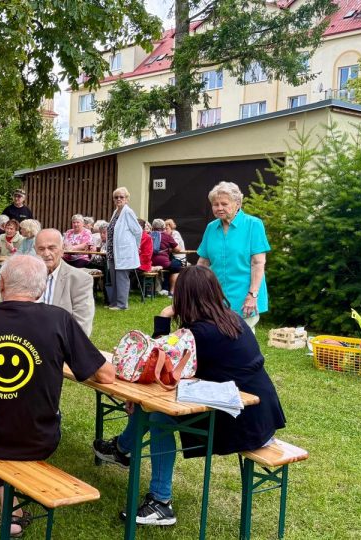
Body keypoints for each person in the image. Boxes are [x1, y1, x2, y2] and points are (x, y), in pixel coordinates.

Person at [93, 265, 286, 527]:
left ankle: (159, 499)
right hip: (260, 414)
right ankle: (121, 451)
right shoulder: (232, 318)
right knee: (151, 410)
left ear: (183, 297)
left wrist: (163, 316)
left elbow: (156, 360)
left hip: (238, 421)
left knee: (157, 416)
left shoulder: (198, 333)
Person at [0, 254, 114, 537]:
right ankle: (12, 512)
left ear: (2, 283)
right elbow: (104, 375)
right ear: (42, 288)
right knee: (12, 418)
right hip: (38, 439)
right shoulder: (59, 320)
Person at [197, 181, 270, 330]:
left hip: (245, 295)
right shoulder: (211, 228)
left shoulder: (253, 224)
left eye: (224, 204)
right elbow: (203, 262)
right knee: (217, 337)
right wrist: (192, 287)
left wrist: (253, 295)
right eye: (215, 204)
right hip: (216, 295)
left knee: (241, 339)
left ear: (237, 203)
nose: (219, 208)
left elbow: (258, 263)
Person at [35, 229, 95, 336]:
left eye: (51, 248)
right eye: (41, 249)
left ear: (62, 250)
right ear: (35, 251)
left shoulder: (80, 280)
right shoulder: (28, 276)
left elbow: (82, 326)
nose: (46, 253)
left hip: (61, 345)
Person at [105, 187, 141, 310]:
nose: (119, 199)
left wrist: (135, 246)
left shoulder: (128, 212)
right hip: (112, 250)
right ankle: (114, 303)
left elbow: (138, 231)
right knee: (114, 277)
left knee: (122, 278)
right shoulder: (116, 212)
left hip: (124, 251)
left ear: (127, 199)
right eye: (116, 197)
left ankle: (122, 304)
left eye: (122, 197)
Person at [150, 218, 182, 295]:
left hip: (150, 262)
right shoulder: (167, 236)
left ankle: (157, 290)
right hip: (164, 263)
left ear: (152, 227)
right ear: (163, 227)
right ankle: (171, 291)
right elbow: (178, 249)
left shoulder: (149, 235)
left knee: (170, 264)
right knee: (176, 266)